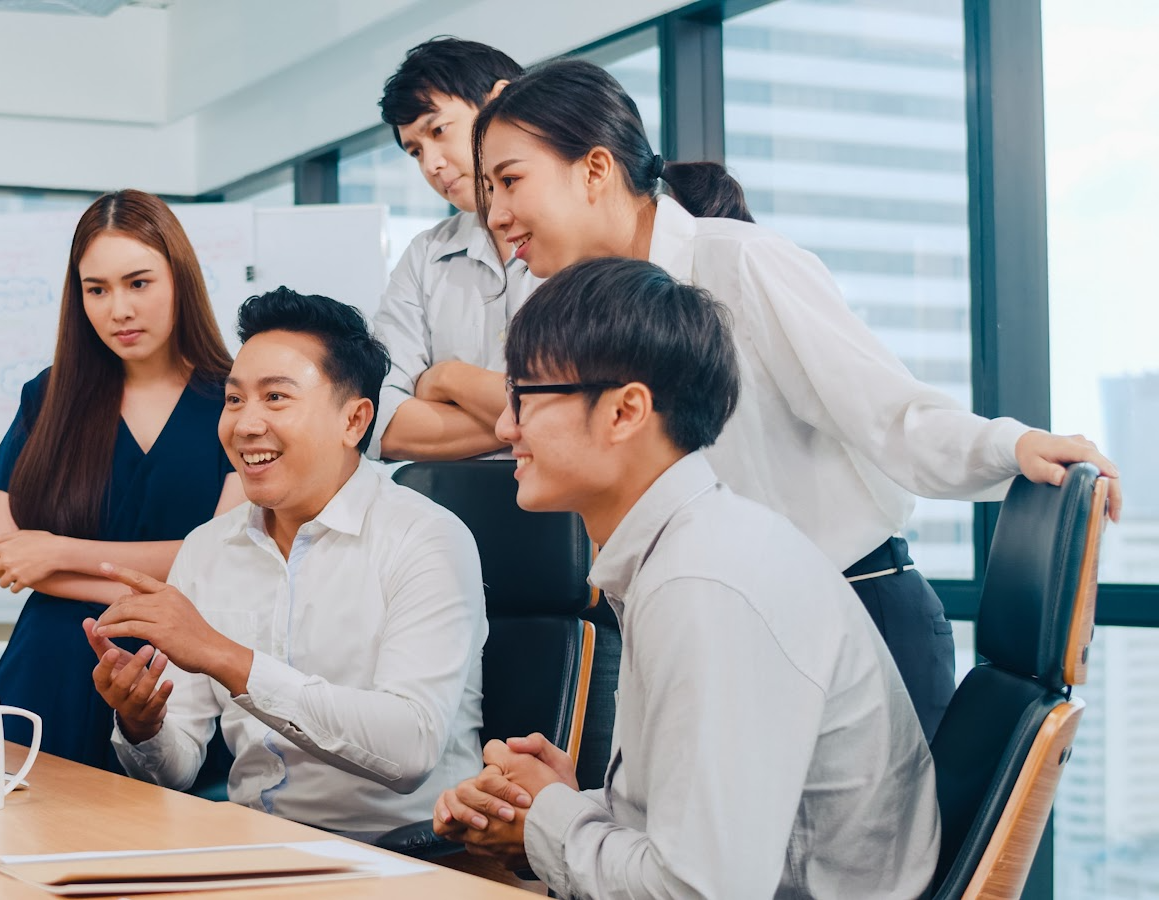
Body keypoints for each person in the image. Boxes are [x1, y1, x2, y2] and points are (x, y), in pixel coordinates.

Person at [472, 58, 1122, 740]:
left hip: (853, 618)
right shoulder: (574, 317)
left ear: (595, 169)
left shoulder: (739, 265)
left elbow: (888, 413)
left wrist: (1011, 446)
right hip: (720, 639)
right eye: (488, 189)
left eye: (510, 180)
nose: (497, 214)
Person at [436, 257, 939, 898]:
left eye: (523, 397)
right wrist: (568, 806)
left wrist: (551, 821)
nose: (505, 428)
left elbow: (698, 890)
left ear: (624, 412)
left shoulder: (705, 584)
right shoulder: (691, 550)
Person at [84, 287, 487, 835]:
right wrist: (142, 723)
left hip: (403, 856)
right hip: (254, 846)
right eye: (234, 400)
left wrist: (224, 656)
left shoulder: (428, 539)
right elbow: (176, 768)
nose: (246, 424)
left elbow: (410, 749)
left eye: (275, 398)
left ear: (354, 421)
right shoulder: (208, 548)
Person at [0, 189, 244, 770]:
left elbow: (221, 561)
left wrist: (57, 554)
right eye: (96, 289)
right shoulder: (49, 395)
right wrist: (150, 595)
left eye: (138, 283)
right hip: (46, 673)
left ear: (180, 280)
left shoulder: (235, 398)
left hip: (176, 680)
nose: (118, 309)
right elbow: (5, 553)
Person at [370, 37, 536, 461]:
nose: (431, 164)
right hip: (454, 517)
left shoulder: (581, 238)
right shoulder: (424, 257)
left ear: (502, 103)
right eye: (416, 151)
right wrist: (535, 421)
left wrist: (446, 379)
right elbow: (379, 424)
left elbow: (596, 409)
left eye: (439, 130)